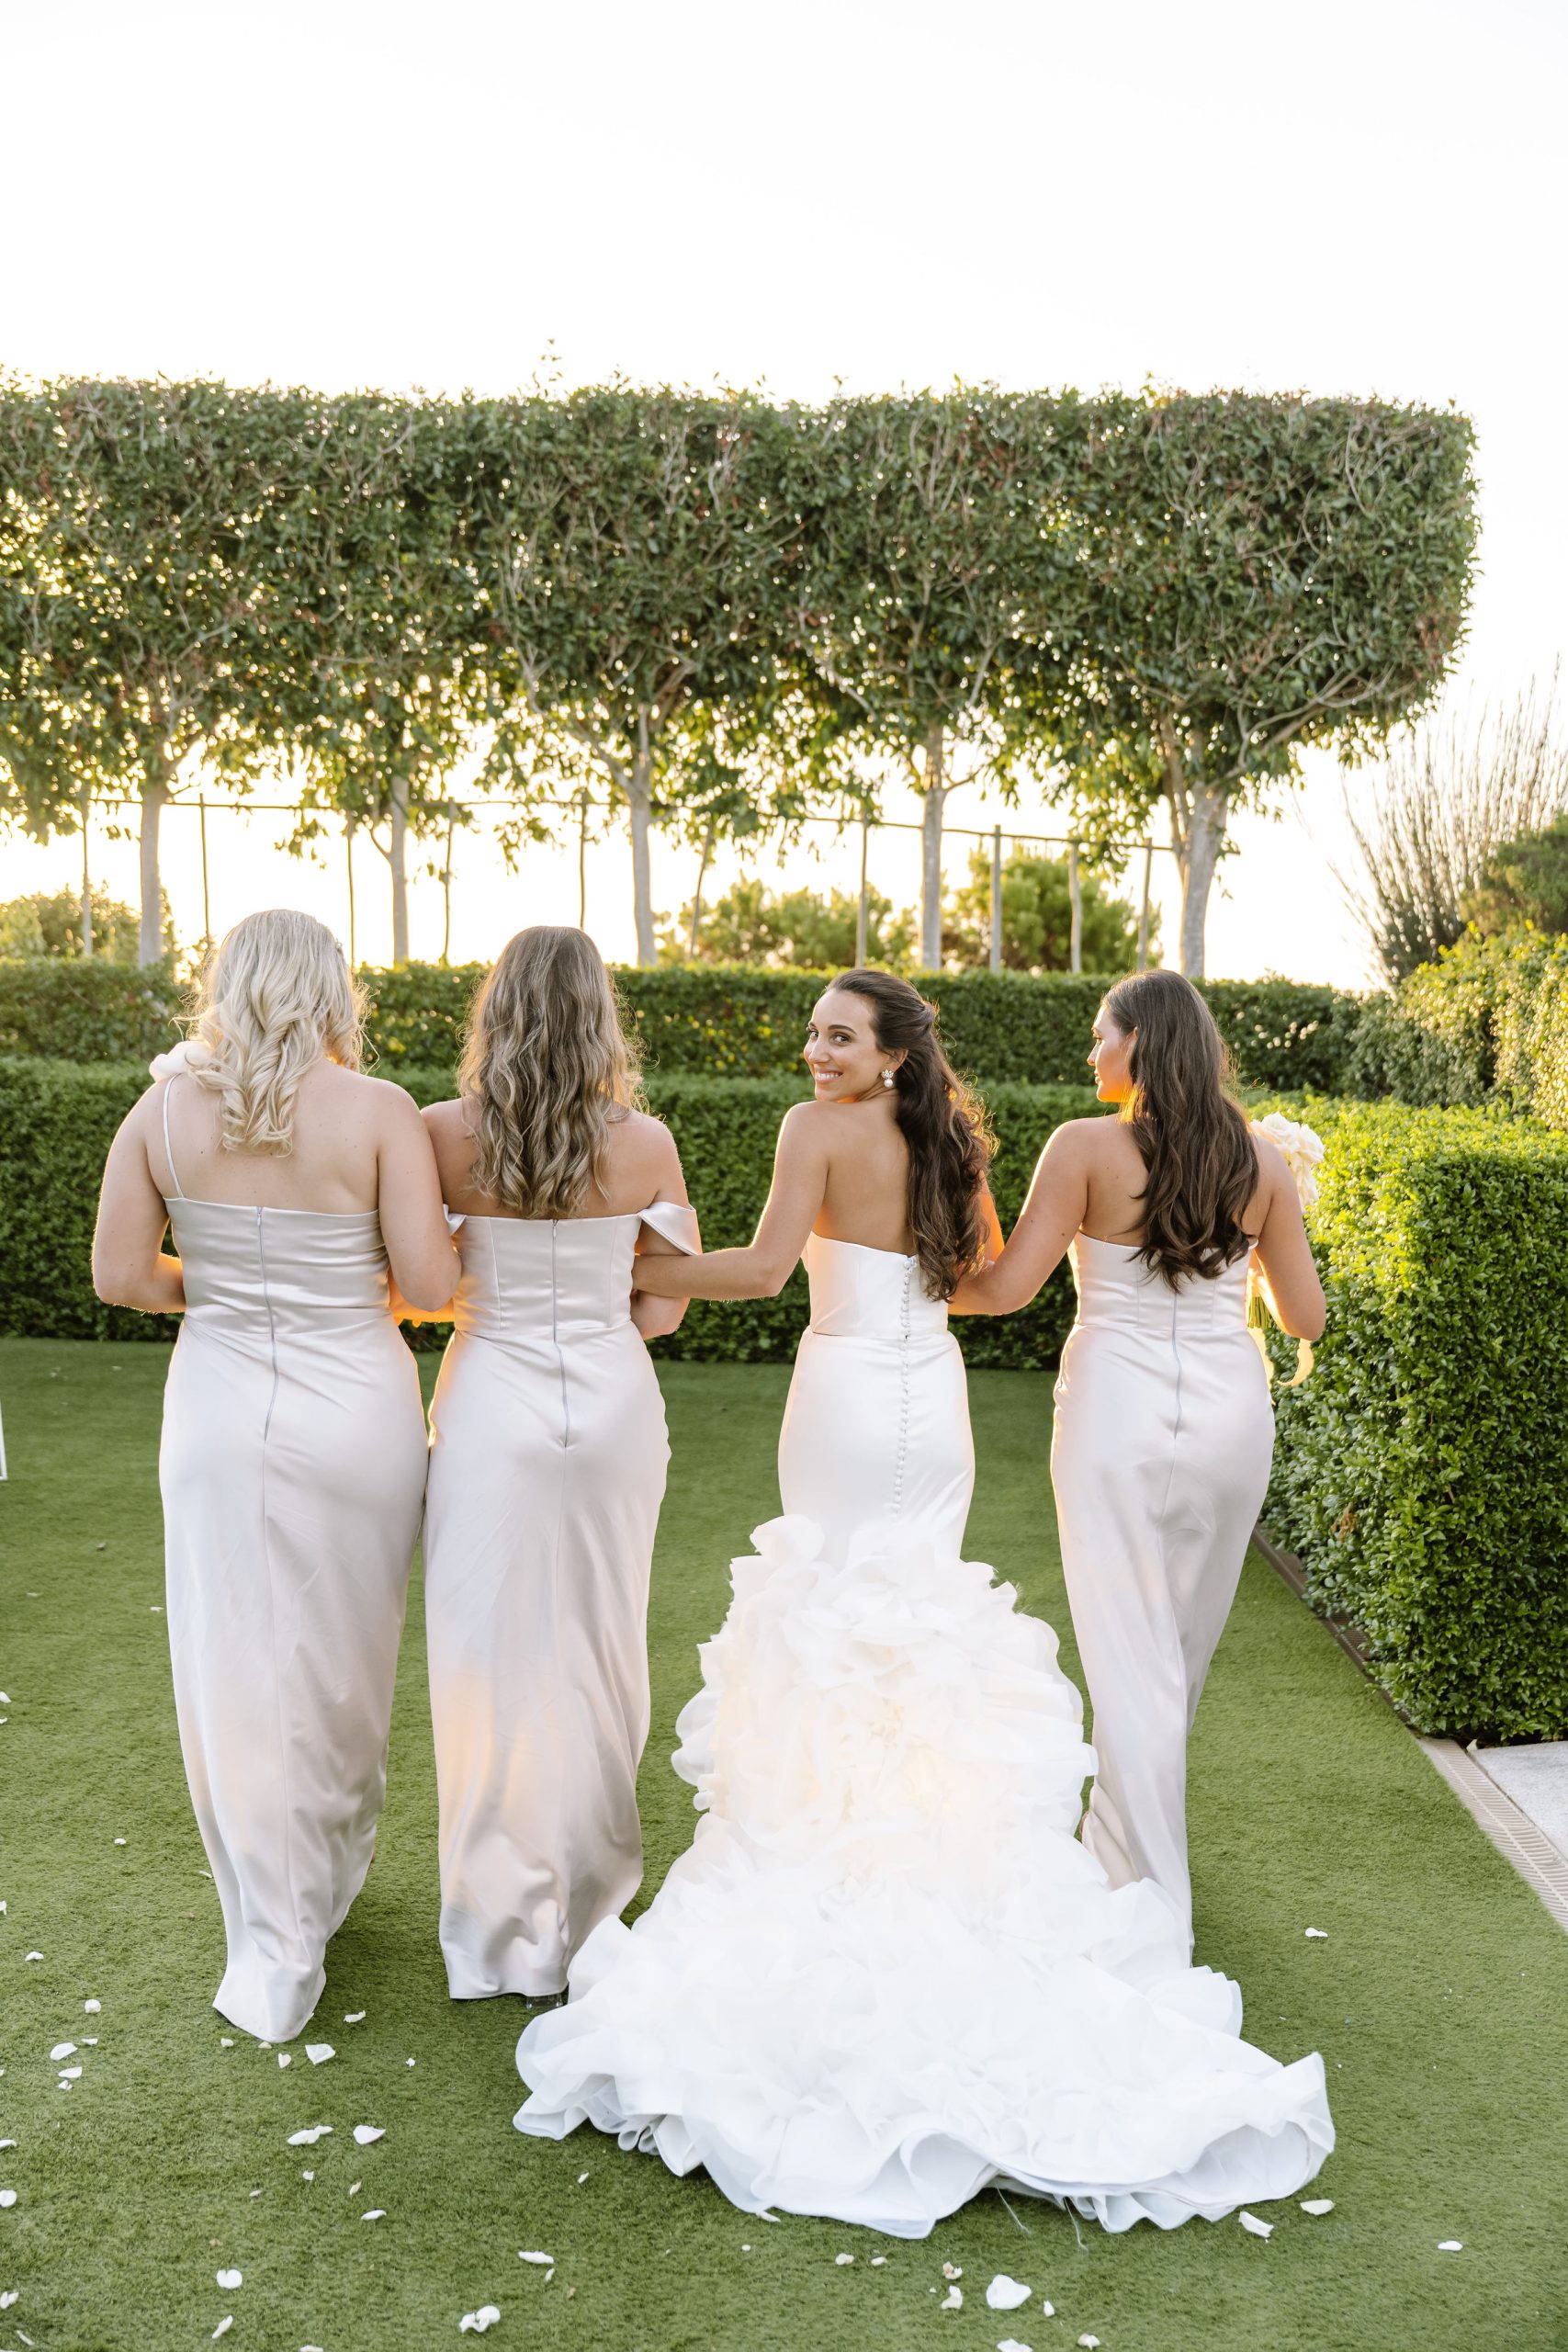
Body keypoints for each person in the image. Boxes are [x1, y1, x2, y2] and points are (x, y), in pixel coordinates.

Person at [513, 967, 1331, 2237]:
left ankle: (837, 1846)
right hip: (928, 1392)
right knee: (908, 1622)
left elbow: (764, 1267)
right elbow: (985, 1273)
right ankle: (930, 1837)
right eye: (812, 1034)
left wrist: (620, 1256)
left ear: (890, 1052)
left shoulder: (814, 1134)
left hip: (846, 1389)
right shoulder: (946, 1135)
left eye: (836, 1035)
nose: (812, 1051)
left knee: (833, 1609)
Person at [92, 909, 458, 2042]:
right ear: (332, 991)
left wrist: (224, 1294)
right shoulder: (383, 1113)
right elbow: (433, 1282)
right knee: (341, 1661)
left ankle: (272, 1925)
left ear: (228, 984)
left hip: (214, 1416)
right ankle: (321, 1895)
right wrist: (336, 1293)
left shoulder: (160, 1112)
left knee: (234, 1660)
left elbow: (119, 1277)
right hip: (356, 1413)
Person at [953, 967, 1326, 1942]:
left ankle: (1150, 1903)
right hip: (1231, 1420)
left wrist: (895, 1277)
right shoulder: (1264, 1162)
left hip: (1115, 1414)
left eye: (1099, 1035)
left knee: (1131, 1655)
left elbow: (1002, 1290)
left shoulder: (1082, 1148)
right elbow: (1307, 1316)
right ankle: (1121, 1847)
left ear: (1141, 1046)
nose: (1089, 1052)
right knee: (1176, 1655)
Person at [418, 927, 697, 2003]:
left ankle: (492, 1935)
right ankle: (590, 1918)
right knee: (600, 1648)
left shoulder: (440, 1134)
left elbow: (429, 1284)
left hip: (491, 1403)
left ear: (494, 1011)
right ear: (601, 1019)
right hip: (614, 1404)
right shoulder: (647, 1142)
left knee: (486, 1657)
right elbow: (666, 1305)